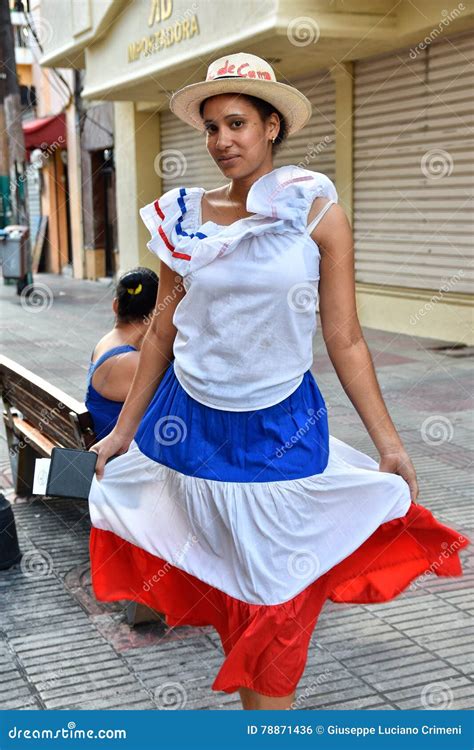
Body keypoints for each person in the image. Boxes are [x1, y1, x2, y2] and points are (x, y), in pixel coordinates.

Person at [87, 53, 470, 711]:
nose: (222, 141)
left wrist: (391, 443)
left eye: (237, 123)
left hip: (283, 434)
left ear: (271, 126)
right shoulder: (181, 217)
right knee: (239, 600)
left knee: (278, 614)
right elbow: (162, 331)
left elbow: (344, 337)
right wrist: (123, 430)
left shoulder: (317, 212)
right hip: (192, 431)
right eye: (211, 127)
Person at [85, 267, 159, 441]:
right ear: (156, 312)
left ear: (115, 305)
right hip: (120, 459)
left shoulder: (107, 342)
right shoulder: (130, 362)